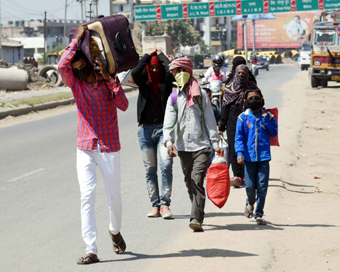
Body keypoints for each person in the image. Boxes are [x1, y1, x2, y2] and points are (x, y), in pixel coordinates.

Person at [58, 24, 128, 265]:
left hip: (108, 147)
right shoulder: (76, 85)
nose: (79, 72)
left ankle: (115, 230)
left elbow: (124, 105)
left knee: (114, 198)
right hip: (85, 147)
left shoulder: (106, 79)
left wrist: (110, 80)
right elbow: (61, 66)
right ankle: (91, 249)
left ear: (89, 63)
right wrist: (76, 42)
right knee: (86, 196)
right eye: (75, 70)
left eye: (82, 67)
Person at [163, 57, 223, 232]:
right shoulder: (173, 97)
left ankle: (195, 217)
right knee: (189, 183)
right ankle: (198, 209)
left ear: (188, 72)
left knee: (197, 180)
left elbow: (210, 121)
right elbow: (168, 124)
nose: (179, 74)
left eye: (181, 71)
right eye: (176, 71)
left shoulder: (201, 95)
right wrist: (169, 142)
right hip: (182, 147)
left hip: (202, 146)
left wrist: (215, 143)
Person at [131, 48, 174, 219]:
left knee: (166, 166)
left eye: (157, 68)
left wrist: (161, 55)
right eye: (152, 68)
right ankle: (155, 205)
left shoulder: (166, 81)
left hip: (164, 129)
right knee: (150, 169)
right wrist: (147, 56)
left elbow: (170, 68)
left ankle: (165, 205)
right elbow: (135, 71)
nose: (155, 70)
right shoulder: (143, 82)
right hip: (145, 131)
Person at [235, 87, 277, 225]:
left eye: (256, 98)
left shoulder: (269, 117)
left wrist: (265, 121)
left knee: (262, 187)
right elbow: (239, 138)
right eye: (251, 98)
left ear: (262, 99)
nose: (254, 100)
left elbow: (273, 133)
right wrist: (240, 153)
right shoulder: (243, 118)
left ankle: (259, 214)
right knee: (249, 186)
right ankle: (250, 202)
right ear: (246, 101)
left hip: (264, 157)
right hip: (249, 157)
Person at [218, 59, 257, 189]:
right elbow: (224, 107)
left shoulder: (252, 87)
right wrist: (222, 125)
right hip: (232, 120)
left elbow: (258, 103)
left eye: (243, 73)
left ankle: (247, 174)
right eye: (238, 72)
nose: (240, 75)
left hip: (248, 120)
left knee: (248, 145)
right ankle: (237, 176)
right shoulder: (229, 87)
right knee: (233, 147)